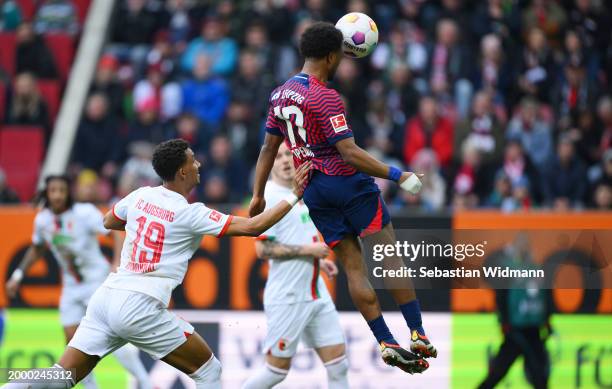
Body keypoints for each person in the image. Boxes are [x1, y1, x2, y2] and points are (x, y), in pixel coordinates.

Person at [2, 139, 311, 388]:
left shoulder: (140, 196)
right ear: (182, 172)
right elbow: (253, 227)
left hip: (106, 298)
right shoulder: (190, 212)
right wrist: (296, 193)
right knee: (210, 372)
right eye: (193, 159)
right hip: (140, 306)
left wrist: (144, 225)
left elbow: (110, 220)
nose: (198, 163)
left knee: (62, 376)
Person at [249, 22, 435, 375]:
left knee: (354, 266)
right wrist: (399, 175)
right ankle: (417, 332)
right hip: (347, 184)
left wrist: (258, 195)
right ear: (332, 56)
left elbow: (268, 148)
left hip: (314, 192)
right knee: (388, 256)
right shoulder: (325, 95)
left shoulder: (279, 95)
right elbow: (348, 152)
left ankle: (385, 340)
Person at [4, 175, 152, 389]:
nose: (57, 195)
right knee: (74, 343)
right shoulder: (43, 220)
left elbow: (117, 233)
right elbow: (37, 248)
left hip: (97, 281)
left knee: (110, 335)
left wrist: (116, 262)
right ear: (47, 193)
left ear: (68, 193)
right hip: (72, 288)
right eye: (53, 190)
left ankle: (145, 382)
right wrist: (17, 275)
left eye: (61, 190)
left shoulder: (84, 213)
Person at [243, 143, 348, 389]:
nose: (285, 160)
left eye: (288, 153)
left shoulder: (304, 192)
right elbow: (262, 249)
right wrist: (309, 251)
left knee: (338, 365)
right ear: (269, 164)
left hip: (316, 293)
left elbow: (297, 234)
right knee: (275, 373)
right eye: (278, 156)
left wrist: (319, 262)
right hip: (288, 296)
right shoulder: (269, 197)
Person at [478, 233, 553, 389]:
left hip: (526, 330)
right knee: (504, 373)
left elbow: (546, 298)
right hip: (519, 330)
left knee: (537, 376)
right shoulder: (526, 271)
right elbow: (502, 298)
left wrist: (547, 321)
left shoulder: (533, 271)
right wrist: (505, 322)